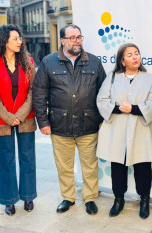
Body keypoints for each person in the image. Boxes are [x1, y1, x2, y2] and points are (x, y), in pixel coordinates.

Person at [32, 24, 106, 215]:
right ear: (62, 41)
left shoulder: (94, 62)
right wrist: (44, 122)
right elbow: (39, 94)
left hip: (88, 123)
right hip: (59, 124)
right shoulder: (49, 62)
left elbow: (104, 93)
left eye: (79, 37)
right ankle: (68, 197)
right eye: (72, 37)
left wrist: (103, 119)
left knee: (90, 165)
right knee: (64, 166)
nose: (77, 41)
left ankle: (90, 198)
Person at [96, 43, 152, 219]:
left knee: (142, 166)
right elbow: (101, 100)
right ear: (122, 60)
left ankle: (144, 200)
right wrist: (119, 108)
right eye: (130, 55)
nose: (135, 57)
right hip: (118, 131)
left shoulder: (150, 80)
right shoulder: (112, 78)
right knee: (117, 165)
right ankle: (118, 199)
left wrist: (133, 108)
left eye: (137, 53)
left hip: (141, 131)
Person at [0, 25, 37, 216]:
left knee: (27, 158)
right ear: (4, 40)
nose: (19, 41)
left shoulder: (28, 62)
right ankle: (9, 200)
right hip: (2, 119)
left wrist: (20, 115)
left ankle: (29, 196)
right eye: (15, 38)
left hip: (26, 118)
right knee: (6, 160)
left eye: (20, 38)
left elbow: (33, 91)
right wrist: (8, 116)